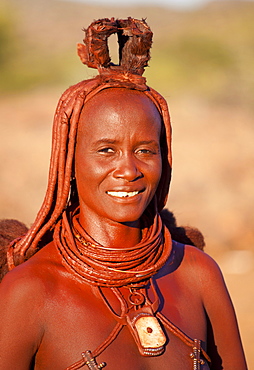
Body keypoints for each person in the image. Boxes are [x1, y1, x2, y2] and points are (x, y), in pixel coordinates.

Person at [0, 18, 247, 370]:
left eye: (146, 150)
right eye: (106, 150)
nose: (129, 170)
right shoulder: (29, 290)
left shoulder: (198, 274)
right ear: (68, 161)